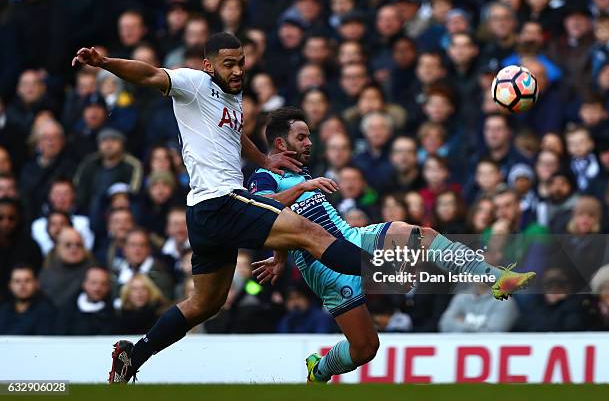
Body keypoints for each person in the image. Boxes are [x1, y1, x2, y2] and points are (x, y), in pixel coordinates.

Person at [71, 32, 401, 384]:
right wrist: (105, 63)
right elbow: (150, 74)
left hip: (203, 213)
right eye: (229, 64)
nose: (238, 70)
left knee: (206, 303)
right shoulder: (193, 83)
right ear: (208, 65)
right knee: (310, 232)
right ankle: (389, 271)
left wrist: (264, 160)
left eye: (241, 62)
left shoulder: (232, 98)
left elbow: (234, 135)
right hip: (223, 200)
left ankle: (132, 355)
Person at [248, 107, 535, 383]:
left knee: (422, 235)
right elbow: (262, 211)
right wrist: (299, 194)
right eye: (301, 137)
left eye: (309, 135)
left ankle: (495, 277)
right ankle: (320, 368)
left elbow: (286, 225)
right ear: (279, 142)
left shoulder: (301, 172)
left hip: (352, 237)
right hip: (323, 267)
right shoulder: (264, 176)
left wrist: (280, 257)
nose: (309, 142)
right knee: (364, 348)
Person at [0, 265, 55, 335]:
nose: (22, 286)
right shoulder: (3, 310)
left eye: (27, 280)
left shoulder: (47, 311)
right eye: (17, 281)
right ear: (10, 285)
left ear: (36, 284)